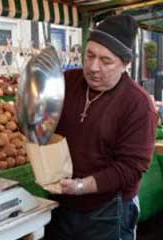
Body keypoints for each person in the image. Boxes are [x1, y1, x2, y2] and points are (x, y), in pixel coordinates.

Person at [45, 14, 158, 240]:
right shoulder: (67, 81)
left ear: (126, 64)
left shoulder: (138, 104)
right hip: (61, 203)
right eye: (90, 56)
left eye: (106, 61)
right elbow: (44, 120)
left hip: (107, 211)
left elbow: (131, 168)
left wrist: (80, 186)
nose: (93, 67)